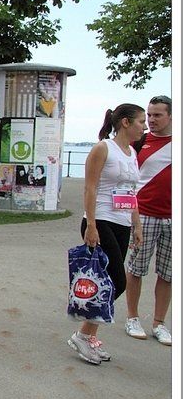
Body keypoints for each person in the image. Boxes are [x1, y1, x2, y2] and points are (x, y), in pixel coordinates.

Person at [67, 103, 144, 365]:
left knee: (106, 282)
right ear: (125, 122)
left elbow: (132, 192)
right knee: (116, 282)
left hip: (122, 221)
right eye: (141, 121)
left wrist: (137, 224)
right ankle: (82, 335)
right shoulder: (103, 148)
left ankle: (89, 336)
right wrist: (91, 224)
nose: (144, 127)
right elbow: (90, 188)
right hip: (101, 219)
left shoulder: (132, 152)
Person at [124, 96, 172, 345]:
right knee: (136, 268)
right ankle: (132, 317)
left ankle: (159, 322)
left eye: (157, 115)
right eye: (149, 115)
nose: (151, 120)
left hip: (172, 217)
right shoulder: (139, 141)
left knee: (168, 273)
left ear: (171, 116)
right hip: (143, 215)